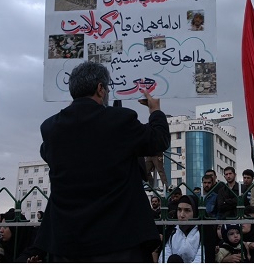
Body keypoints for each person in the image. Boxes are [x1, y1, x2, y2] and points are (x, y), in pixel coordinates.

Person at [34, 61, 171, 262]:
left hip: (67, 244)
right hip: (118, 242)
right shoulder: (119, 120)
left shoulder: (51, 129)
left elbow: (47, 152)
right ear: (100, 88)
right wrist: (155, 110)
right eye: (106, 87)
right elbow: (159, 140)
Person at [158, 195, 201, 263]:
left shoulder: (201, 232)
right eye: (179, 210)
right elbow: (164, 256)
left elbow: (201, 258)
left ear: (195, 212)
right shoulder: (172, 231)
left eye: (187, 210)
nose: (181, 215)